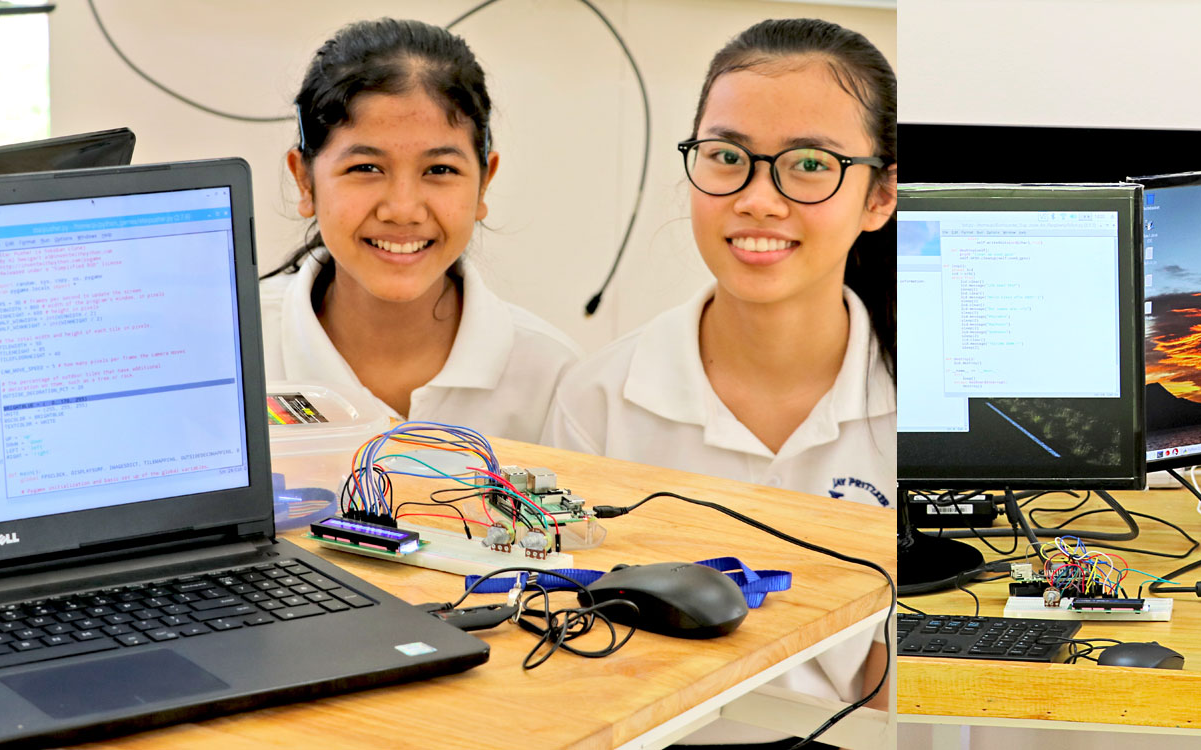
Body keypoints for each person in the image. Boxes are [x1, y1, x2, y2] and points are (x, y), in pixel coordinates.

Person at [542, 17, 895, 750]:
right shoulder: (600, 400)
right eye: (728, 156)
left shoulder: (931, 407)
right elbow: (566, 643)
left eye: (809, 164)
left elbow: (900, 679)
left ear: (879, 197)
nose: (758, 199)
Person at [262, 18, 580, 442]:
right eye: (366, 168)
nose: (403, 209)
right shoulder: (231, 352)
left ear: (485, 182)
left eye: (440, 169)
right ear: (305, 180)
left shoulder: (552, 380)